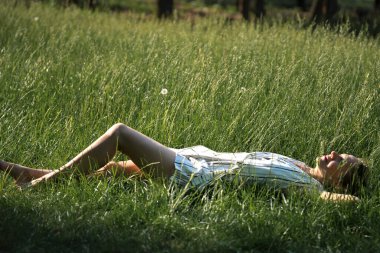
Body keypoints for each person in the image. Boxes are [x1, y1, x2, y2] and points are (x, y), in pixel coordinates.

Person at [0, 123, 369, 202]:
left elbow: (350, 203)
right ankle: (29, 173)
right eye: (340, 152)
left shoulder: (312, 189)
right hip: (196, 158)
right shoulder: (299, 166)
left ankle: (37, 186)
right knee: (113, 171)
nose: (334, 154)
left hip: (194, 177)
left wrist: (348, 196)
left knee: (120, 135)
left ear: (340, 181)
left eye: (342, 162)